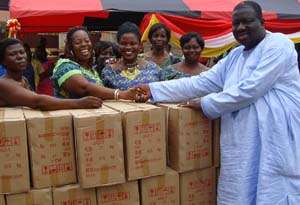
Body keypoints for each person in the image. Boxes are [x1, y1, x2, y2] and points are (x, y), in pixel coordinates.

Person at [136, 1, 300, 204]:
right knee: (239, 190)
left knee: (273, 191)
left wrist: (206, 103)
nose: (240, 28)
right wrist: (152, 89)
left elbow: (252, 88)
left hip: (275, 136)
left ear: (262, 22)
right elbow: (202, 82)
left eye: (247, 21)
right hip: (242, 139)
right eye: (236, 23)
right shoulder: (235, 56)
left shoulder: (279, 44)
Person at [0, 38, 102, 110]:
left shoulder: (23, 80)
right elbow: (37, 101)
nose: (20, 57)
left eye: (22, 52)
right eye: (12, 54)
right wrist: (79, 103)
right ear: (3, 61)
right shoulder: (3, 83)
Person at [52, 26, 137, 100]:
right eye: (78, 42)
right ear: (70, 47)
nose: (84, 44)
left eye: (87, 41)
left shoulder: (92, 71)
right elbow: (84, 88)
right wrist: (122, 94)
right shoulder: (65, 65)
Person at [101, 22, 185, 90]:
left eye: (133, 43)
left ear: (140, 46)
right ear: (118, 45)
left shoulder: (153, 69)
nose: (128, 47)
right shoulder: (108, 72)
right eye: (124, 43)